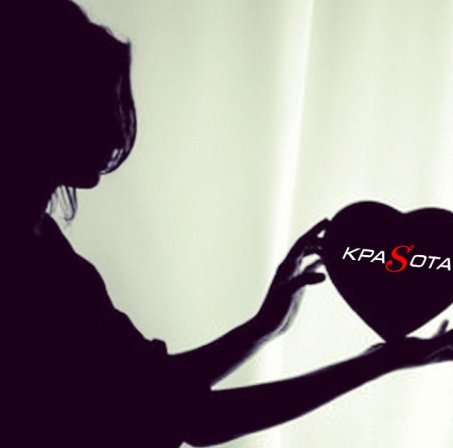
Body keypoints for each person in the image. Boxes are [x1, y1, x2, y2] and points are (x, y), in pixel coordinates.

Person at [2, 1, 452, 447]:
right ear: (39, 106)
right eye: (99, 102)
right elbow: (192, 417)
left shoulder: (43, 242)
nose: (119, 128)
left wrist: (264, 328)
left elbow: (151, 388)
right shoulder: (23, 263)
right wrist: (377, 362)